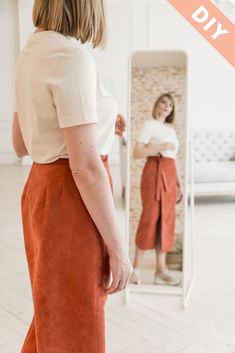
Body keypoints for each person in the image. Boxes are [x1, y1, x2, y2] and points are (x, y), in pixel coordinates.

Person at [11, 1, 132, 352]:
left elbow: (20, 144)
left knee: (55, 310)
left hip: (41, 189)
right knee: (77, 320)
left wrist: (104, 120)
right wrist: (119, 248)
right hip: (71, 199)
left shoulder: (32, 50)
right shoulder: (71, 57)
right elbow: (85, 166)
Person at [131, 93, 183, 286]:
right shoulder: (149, 125)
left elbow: (174, 158)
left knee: (166, 221)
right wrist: (161, 146)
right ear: (157, 103)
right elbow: (136, 153)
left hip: (170, 174)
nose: (166, 106)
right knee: (150, 218)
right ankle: (134, 269)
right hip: (154, 170)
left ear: (172, 110)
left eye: (170, 104)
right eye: (164, 101)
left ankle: (160, 272)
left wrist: (180, 184)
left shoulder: (171, 131)